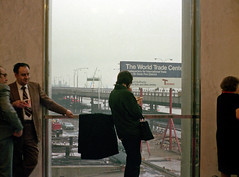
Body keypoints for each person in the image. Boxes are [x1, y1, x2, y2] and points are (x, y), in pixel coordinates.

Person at [9, 63, 74, 177]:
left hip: (31, 129)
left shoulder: (35, 87)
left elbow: (48, 102)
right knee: (15, 161)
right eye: (23, 75)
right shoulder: (9, 89)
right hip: (15, 130)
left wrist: (65, 111)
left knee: (32, 160)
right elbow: (3, 108)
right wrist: (13, 104)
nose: (27, 77)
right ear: (16, 75)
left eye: (28, 74)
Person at [109, 70, 144, 177]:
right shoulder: (126, 94)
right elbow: (138, 113)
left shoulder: (113, 94)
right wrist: (136, 102)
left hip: (121, 131)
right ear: (128, 82)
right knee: (135, 160)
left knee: (131, 159)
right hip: (132, 132)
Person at [0, 66, 23, 177]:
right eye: (4, 75)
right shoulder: (3, 88)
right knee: (5, 170)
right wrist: (19, 127)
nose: (6, 79)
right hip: (3, 136)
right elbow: (7, 109)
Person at [217, 76, 239, 177]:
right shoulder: (236, 99)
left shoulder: (220, 98)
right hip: (235, 136)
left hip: (222, 136)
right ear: (234, 86)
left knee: (225, 167)